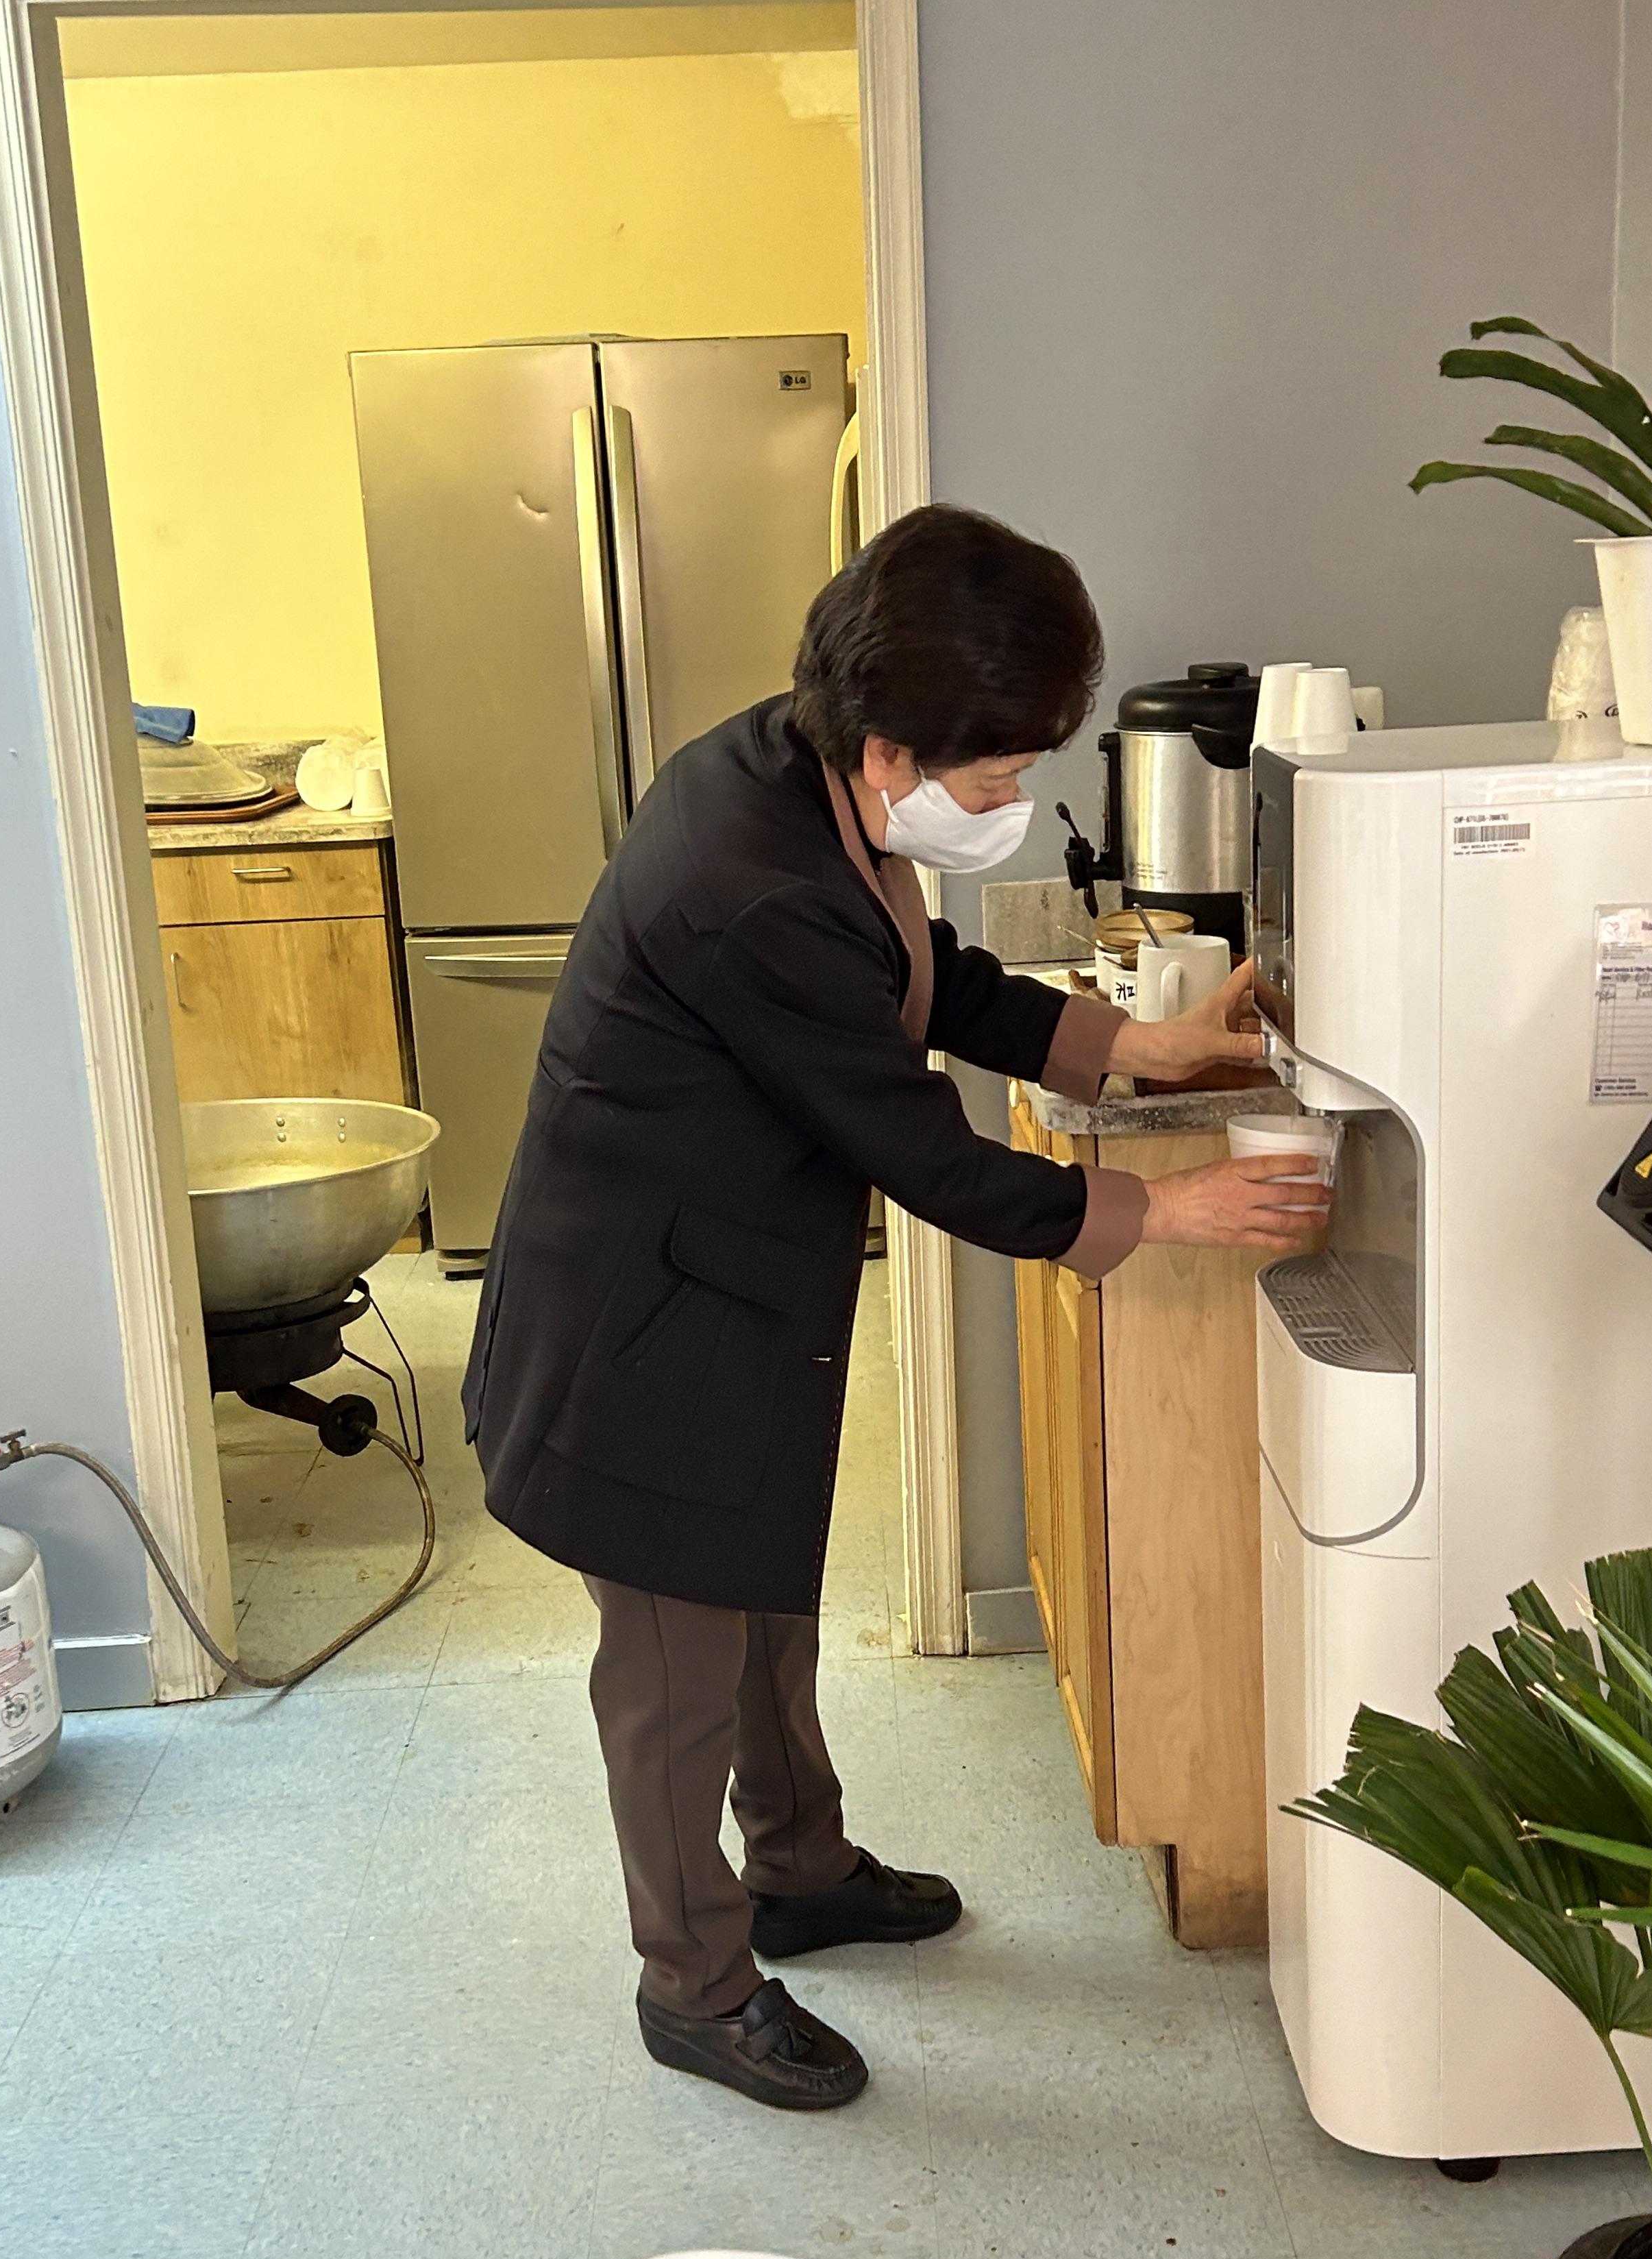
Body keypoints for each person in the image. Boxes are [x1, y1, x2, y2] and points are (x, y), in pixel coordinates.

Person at [465, 504, 1329, 2110]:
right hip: (634, 1331)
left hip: (722, 1288)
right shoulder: (751, 880)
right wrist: (1165, 1210)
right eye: (995, 778)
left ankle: (799, 1870)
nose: (1009, 805)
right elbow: (919, 1148)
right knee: (674, 1678)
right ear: (889, 751)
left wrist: (1138, 1048)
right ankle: (694, 1986)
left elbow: (922, 977)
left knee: (763, 1611)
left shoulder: (803, 777)